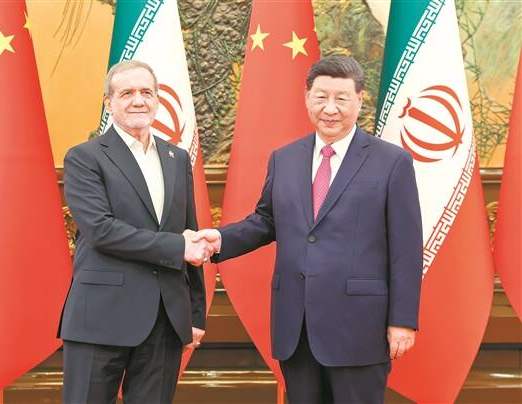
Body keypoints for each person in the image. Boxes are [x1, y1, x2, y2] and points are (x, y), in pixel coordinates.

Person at [196, 56, 423, 403]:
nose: (330, 108)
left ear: (359, 100)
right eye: (321, 97)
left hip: (360, 328)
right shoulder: (284, 159)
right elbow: (267, 221)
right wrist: (221, 240)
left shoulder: (392, 162)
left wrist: (402, 320)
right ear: (307, 98)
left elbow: (406, 249)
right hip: (297, 326)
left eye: (341, 98)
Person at [58, 60, 212, 404]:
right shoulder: (85, 158)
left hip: (165, 318)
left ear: (158, 100)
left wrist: (195, 312)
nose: (138, 100)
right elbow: (101, 230)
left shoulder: (176, 158)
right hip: (100, 317)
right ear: (109, 103)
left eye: (147, 92)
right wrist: (177, 246)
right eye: (126, 93)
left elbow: (189, 233)